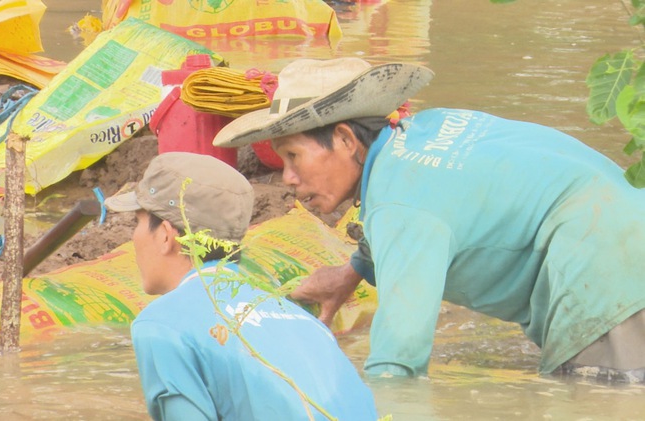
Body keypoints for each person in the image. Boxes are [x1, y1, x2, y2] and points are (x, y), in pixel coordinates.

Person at [212, 57, 645, 383]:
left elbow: (398, 356)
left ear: (344, 140)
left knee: (597, 401)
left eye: (293, 156)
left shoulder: (399, 205)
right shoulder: (424, 131)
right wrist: (351, 273)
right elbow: (443, 203)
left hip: (608, 274)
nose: (287, 178)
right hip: (623, 225)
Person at [104, 151, 378, 420]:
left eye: (136, 223)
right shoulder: (305, 321)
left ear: (166, 235)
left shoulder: (161, 325)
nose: (134, 237)